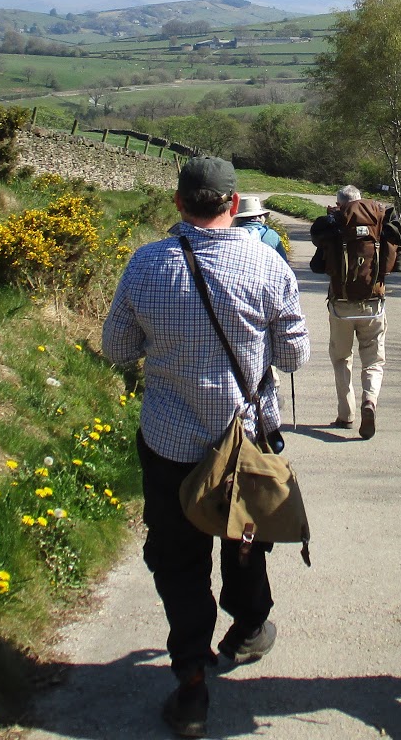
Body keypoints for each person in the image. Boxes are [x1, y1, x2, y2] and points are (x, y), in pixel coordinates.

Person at [103, 156, 311, 738]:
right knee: (245, 539)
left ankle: (192, 679)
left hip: (170, 443)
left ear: (179, 202)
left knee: (178, 560)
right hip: (245, 440)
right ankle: (248, 627)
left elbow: (117, 348)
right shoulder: (267, 264)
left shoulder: (146, 264)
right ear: (234, 203)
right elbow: (294, 356)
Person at [309, 185, 401, 438]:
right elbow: (399, 258)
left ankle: (346, 414)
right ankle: (370, 400)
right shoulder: (380, 218)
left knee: (342, 358)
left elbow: (317, 261)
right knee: (373, 360)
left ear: (339, 203)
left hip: (341, 304)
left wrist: (333, 218)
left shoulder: (335, 222)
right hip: (374, 303)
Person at [233, 194, 288, 260]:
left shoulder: (233, 235)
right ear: (261, 217)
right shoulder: (272, 235)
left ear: (237, 219)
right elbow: (283, 261)